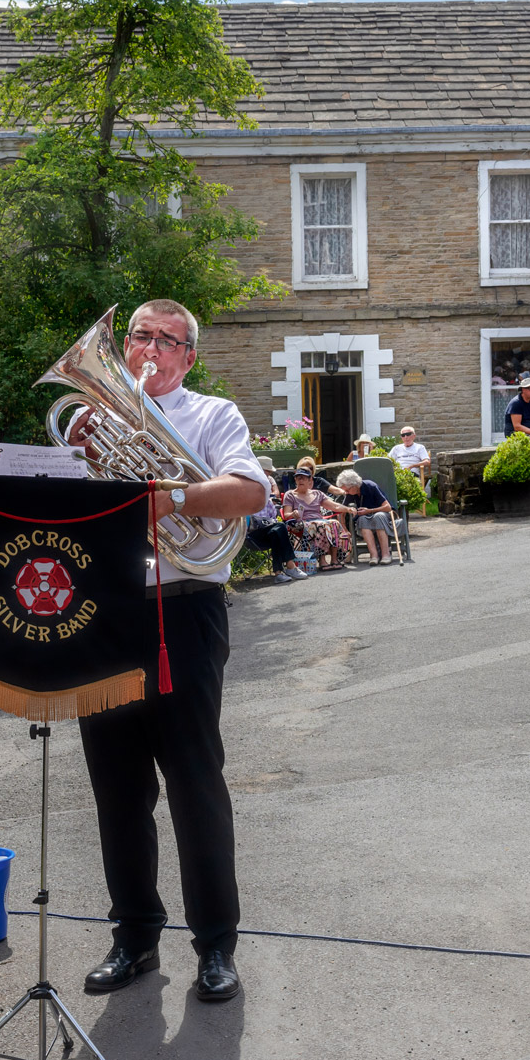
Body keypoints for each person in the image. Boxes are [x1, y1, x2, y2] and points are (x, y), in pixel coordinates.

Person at [72, 299, 267, 1004]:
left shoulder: (212, 415)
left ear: (189, 356)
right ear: (123, 347)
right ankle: (134, 938)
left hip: (184, 609)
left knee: (194, 781)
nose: (152, 349)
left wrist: (171, 496)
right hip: (106, 611)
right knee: (117, 788)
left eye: (168, 340)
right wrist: (80, 453)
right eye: (140, 337)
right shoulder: (88, 420)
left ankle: (216, 944)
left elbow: (247, 492)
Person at [281, 467, 349, 572]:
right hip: (301, 523)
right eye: (298, 478)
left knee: (334, 523)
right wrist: (293, 514)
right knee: (320, 525)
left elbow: (334, 507)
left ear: (310, 480)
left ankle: (334, 559)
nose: (300, 480)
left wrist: (349, 509)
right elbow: (286, 515)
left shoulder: (317, 494)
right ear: (295, 480)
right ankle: (322, 560)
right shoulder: (290, 495)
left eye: (303, 478)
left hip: (319, 521)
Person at [333, 468, 395, 564]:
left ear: (354, 486)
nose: (346, 493)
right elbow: (342, 510)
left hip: (382, 514)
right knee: (361, 519)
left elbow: (388, 507)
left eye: (347, 490)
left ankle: (386, 554)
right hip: (367, 517)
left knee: (378, 516)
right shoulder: (351, 492)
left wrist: (370, 510)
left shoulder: (370, 486)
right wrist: (343, 526)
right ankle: (374, 555)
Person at [244, 474, 296, 582]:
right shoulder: (245, 501)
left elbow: (274, 520)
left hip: (268, 535)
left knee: (275, 532)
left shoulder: (267, 501)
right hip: (252, 536)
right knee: (280, 526)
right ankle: (290, 565)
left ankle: (278, 573)